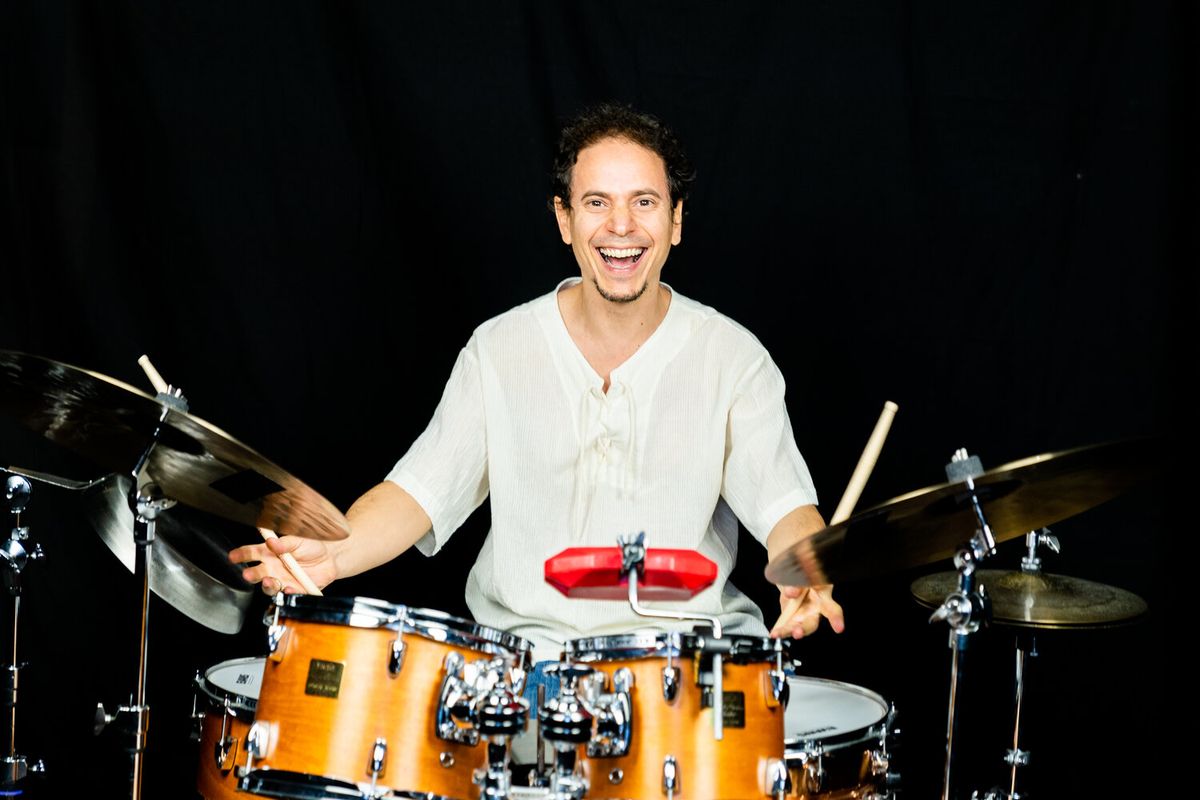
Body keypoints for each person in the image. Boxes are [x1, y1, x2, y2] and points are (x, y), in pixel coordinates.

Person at [229, 101, 843, 737]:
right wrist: (334, 554)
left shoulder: (734, 357)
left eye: (645, 202)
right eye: (597, 203)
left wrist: (805, 568)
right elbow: (418, 492)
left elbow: (785, 507)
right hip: (521, 676)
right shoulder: (498, 349)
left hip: (689, 675)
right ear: (564, 220)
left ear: (676, 220)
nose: (621, 226)